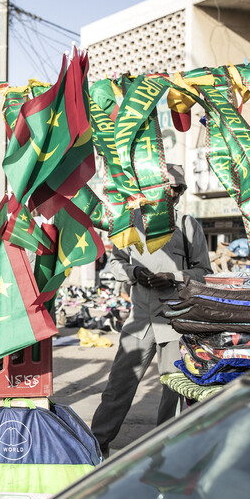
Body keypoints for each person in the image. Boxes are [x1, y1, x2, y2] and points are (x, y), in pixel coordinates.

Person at [91, 164, 212, 457]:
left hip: (175, 321)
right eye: (166, 188)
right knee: (119, 385)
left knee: (176, 389)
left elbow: (204, 272)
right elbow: (115, 263)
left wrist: (175, 277)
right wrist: (135, 273)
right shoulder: (131, 223)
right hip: (140, 322)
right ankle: (96, 443)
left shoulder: (188, 225)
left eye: (176, 190)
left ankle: (167, 449)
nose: (171, 194)